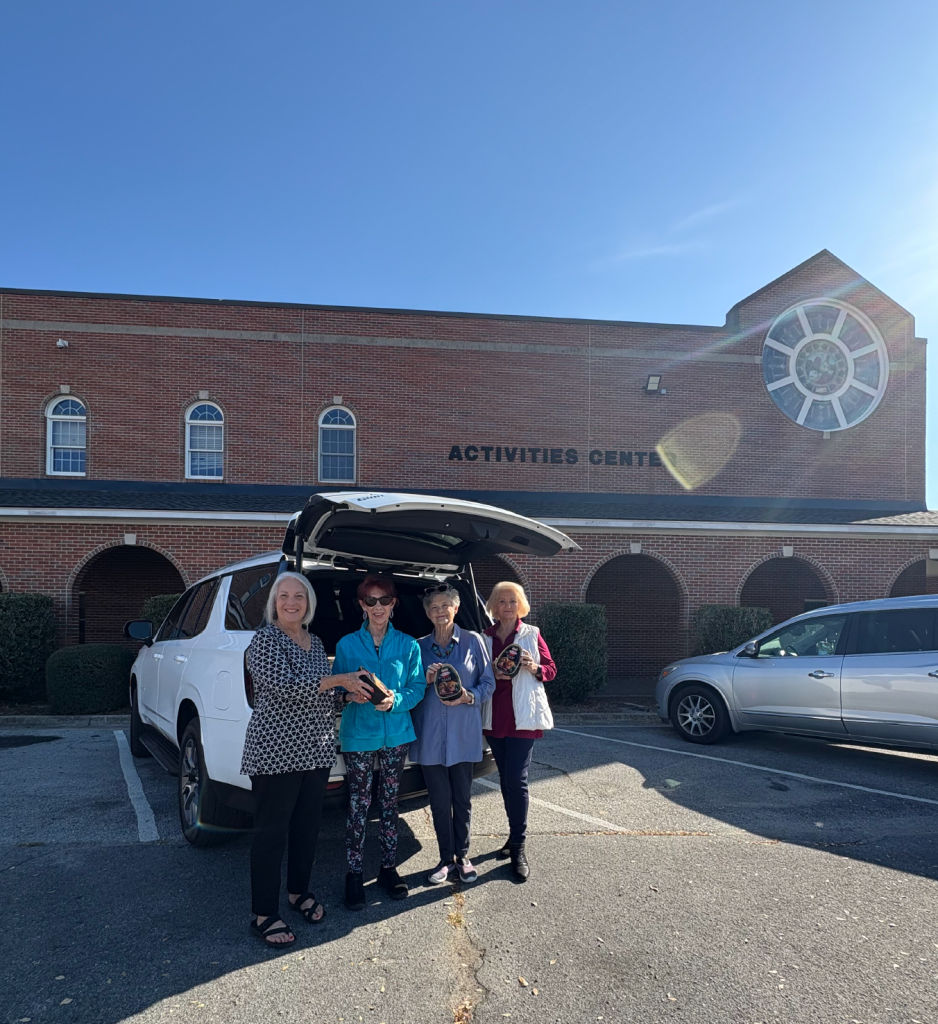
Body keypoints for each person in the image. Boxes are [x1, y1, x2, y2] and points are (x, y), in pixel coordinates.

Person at [240, 571, 373, 948]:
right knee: (271, 833)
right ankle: (264, 914)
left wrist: (347, 695)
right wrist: (340, 680)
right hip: (276, 753)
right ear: (274, 602)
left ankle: (298, 892)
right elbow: (283, 688)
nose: (291, 602)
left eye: (299, 596)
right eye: (284, 596)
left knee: (306, 829)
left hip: (315, 750)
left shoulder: (315, 643)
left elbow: (320, 695)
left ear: (309, 603)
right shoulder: (264, 641)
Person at [332, 574, 426, 910]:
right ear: (361, 605)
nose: (377, 607)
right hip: (359, 734)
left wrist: (394, 701)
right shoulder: (346, 645)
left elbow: (417, 687)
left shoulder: (408, 645)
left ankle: (388, 868)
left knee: (389, 803)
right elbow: (336, 688)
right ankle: (354, 873)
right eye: (370, 600)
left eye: (384, 600)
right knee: (359, 804)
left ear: (393, 603)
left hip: (396, 734)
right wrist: (349, 695)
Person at [411, 584, 496, 885]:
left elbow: (489, 683)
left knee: (462, 799)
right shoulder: (418, 647)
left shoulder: (473, 641)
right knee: (438, 801)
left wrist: (468, 696)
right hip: (430, 737)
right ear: (427, 613)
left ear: (456, 608)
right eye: (433, 607)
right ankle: (445, 858)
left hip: (463, 736)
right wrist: (424, 680)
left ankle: (463, 856)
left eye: (445, 605)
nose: (440, 612)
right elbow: (408, 689)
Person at [482, 581, 556, 882]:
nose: (507, 606)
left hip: (523, 717)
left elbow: (550, 670)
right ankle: (513, 835)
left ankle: (519, 845)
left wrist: (533, 667)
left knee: (517, 780)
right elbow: (476, 674)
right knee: (505, 779)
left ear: (520, 605)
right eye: (502, 601)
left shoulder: (531, 634)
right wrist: (491, 671)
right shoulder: (484, 637)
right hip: (494, 717)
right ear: (494, 606)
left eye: (512, 601)